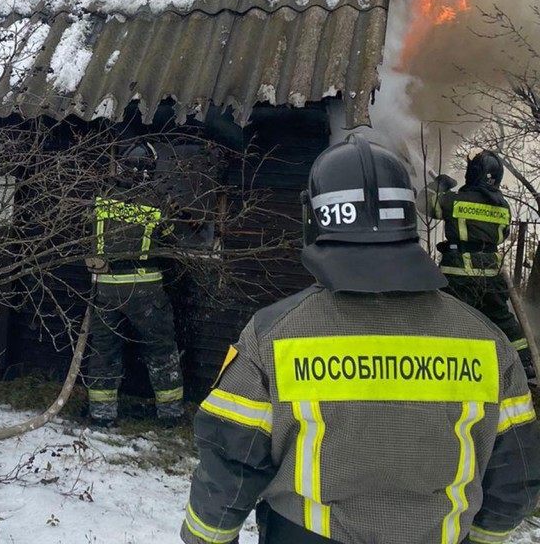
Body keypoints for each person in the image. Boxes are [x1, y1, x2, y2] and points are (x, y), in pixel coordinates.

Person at [181, 134, 540, 544]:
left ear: (314, 219)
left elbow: (231, 461)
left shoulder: (273, 335)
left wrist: (206, 538)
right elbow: (517, 473)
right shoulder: (489, 344)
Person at [84, 141, 185, 426]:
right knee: (161, 349)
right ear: (149, 169)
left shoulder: (101, 197)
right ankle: (170, 414)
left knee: (104, 350)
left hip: (105, 288)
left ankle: (102, 415)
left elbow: (85, 229)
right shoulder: (156, 202)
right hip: (145, 289)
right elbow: (171, 239)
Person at [420, 149, 533, 378]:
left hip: (458, 274)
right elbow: (502, 235)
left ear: (473, 173)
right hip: (492, 275)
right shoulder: (502, 206)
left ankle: (442, 365)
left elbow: (424, 203)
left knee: (448, 318)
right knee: (502, 318)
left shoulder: (456, 201)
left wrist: (439, 184)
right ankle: (525, 364)